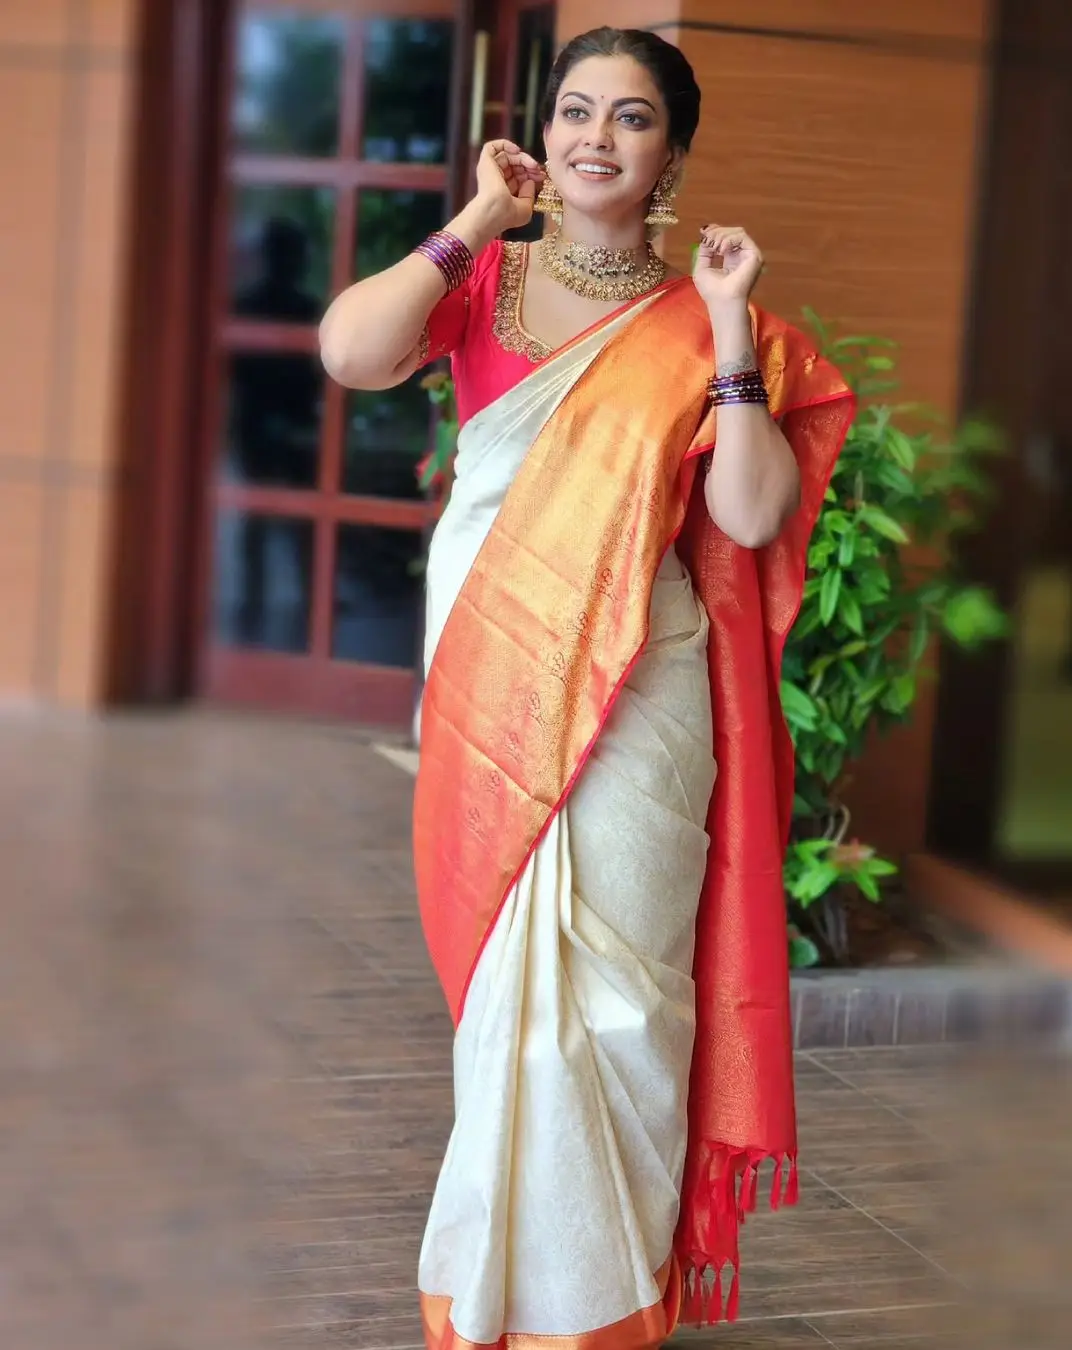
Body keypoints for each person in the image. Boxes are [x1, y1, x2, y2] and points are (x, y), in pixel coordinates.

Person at [320, 26, 854, 1350]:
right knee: (513, 989)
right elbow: (350, 352)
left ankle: (600, 1308)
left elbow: (748, 506)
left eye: (629, 118)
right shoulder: (487, 284)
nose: (594, 139)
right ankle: (495, 1294)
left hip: (644, 699)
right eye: (574, 112)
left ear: (671, 153)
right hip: (493, 686)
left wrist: (729, 328)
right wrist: (476, 215)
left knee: (622, 999)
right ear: (541, 132)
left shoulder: (712, 320)